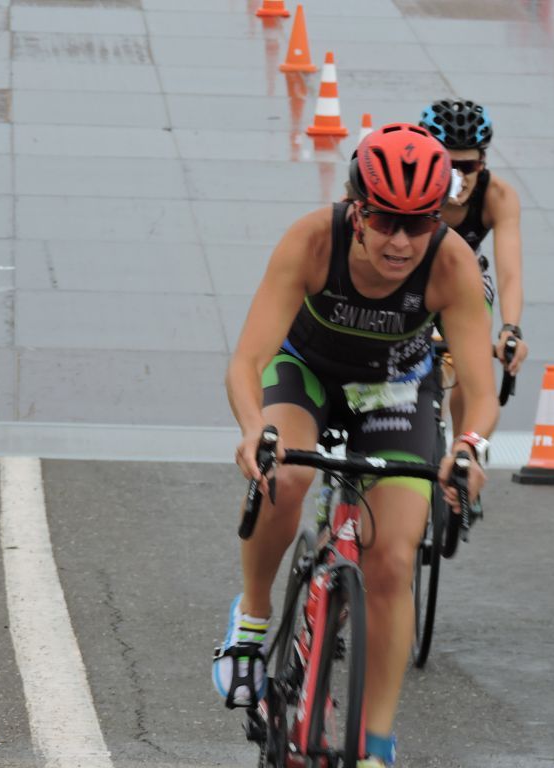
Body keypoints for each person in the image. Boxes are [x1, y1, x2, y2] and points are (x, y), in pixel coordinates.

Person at [213, 123, 498, 768]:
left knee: (393, 562)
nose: (401, 241)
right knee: (284, 480)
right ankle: (251, 624)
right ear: (357, 209)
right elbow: (246, 359)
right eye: (386, 221)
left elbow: (480, 390)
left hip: (394, 391)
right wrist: (252, 427)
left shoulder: (449, 261)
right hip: (307, 375)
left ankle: (374, 743)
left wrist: (471, 446)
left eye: (418, 224)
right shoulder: (314, 241)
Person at [418, 99, 528, 433]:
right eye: (446, 165)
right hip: (412, 274)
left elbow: (510, 273)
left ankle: (465, 458)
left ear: (483, 162)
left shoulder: (498, 195)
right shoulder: (410, 183)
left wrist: (511, 329)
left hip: (465, 277)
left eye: (467, 167)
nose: (458, 178)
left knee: (473, 368)